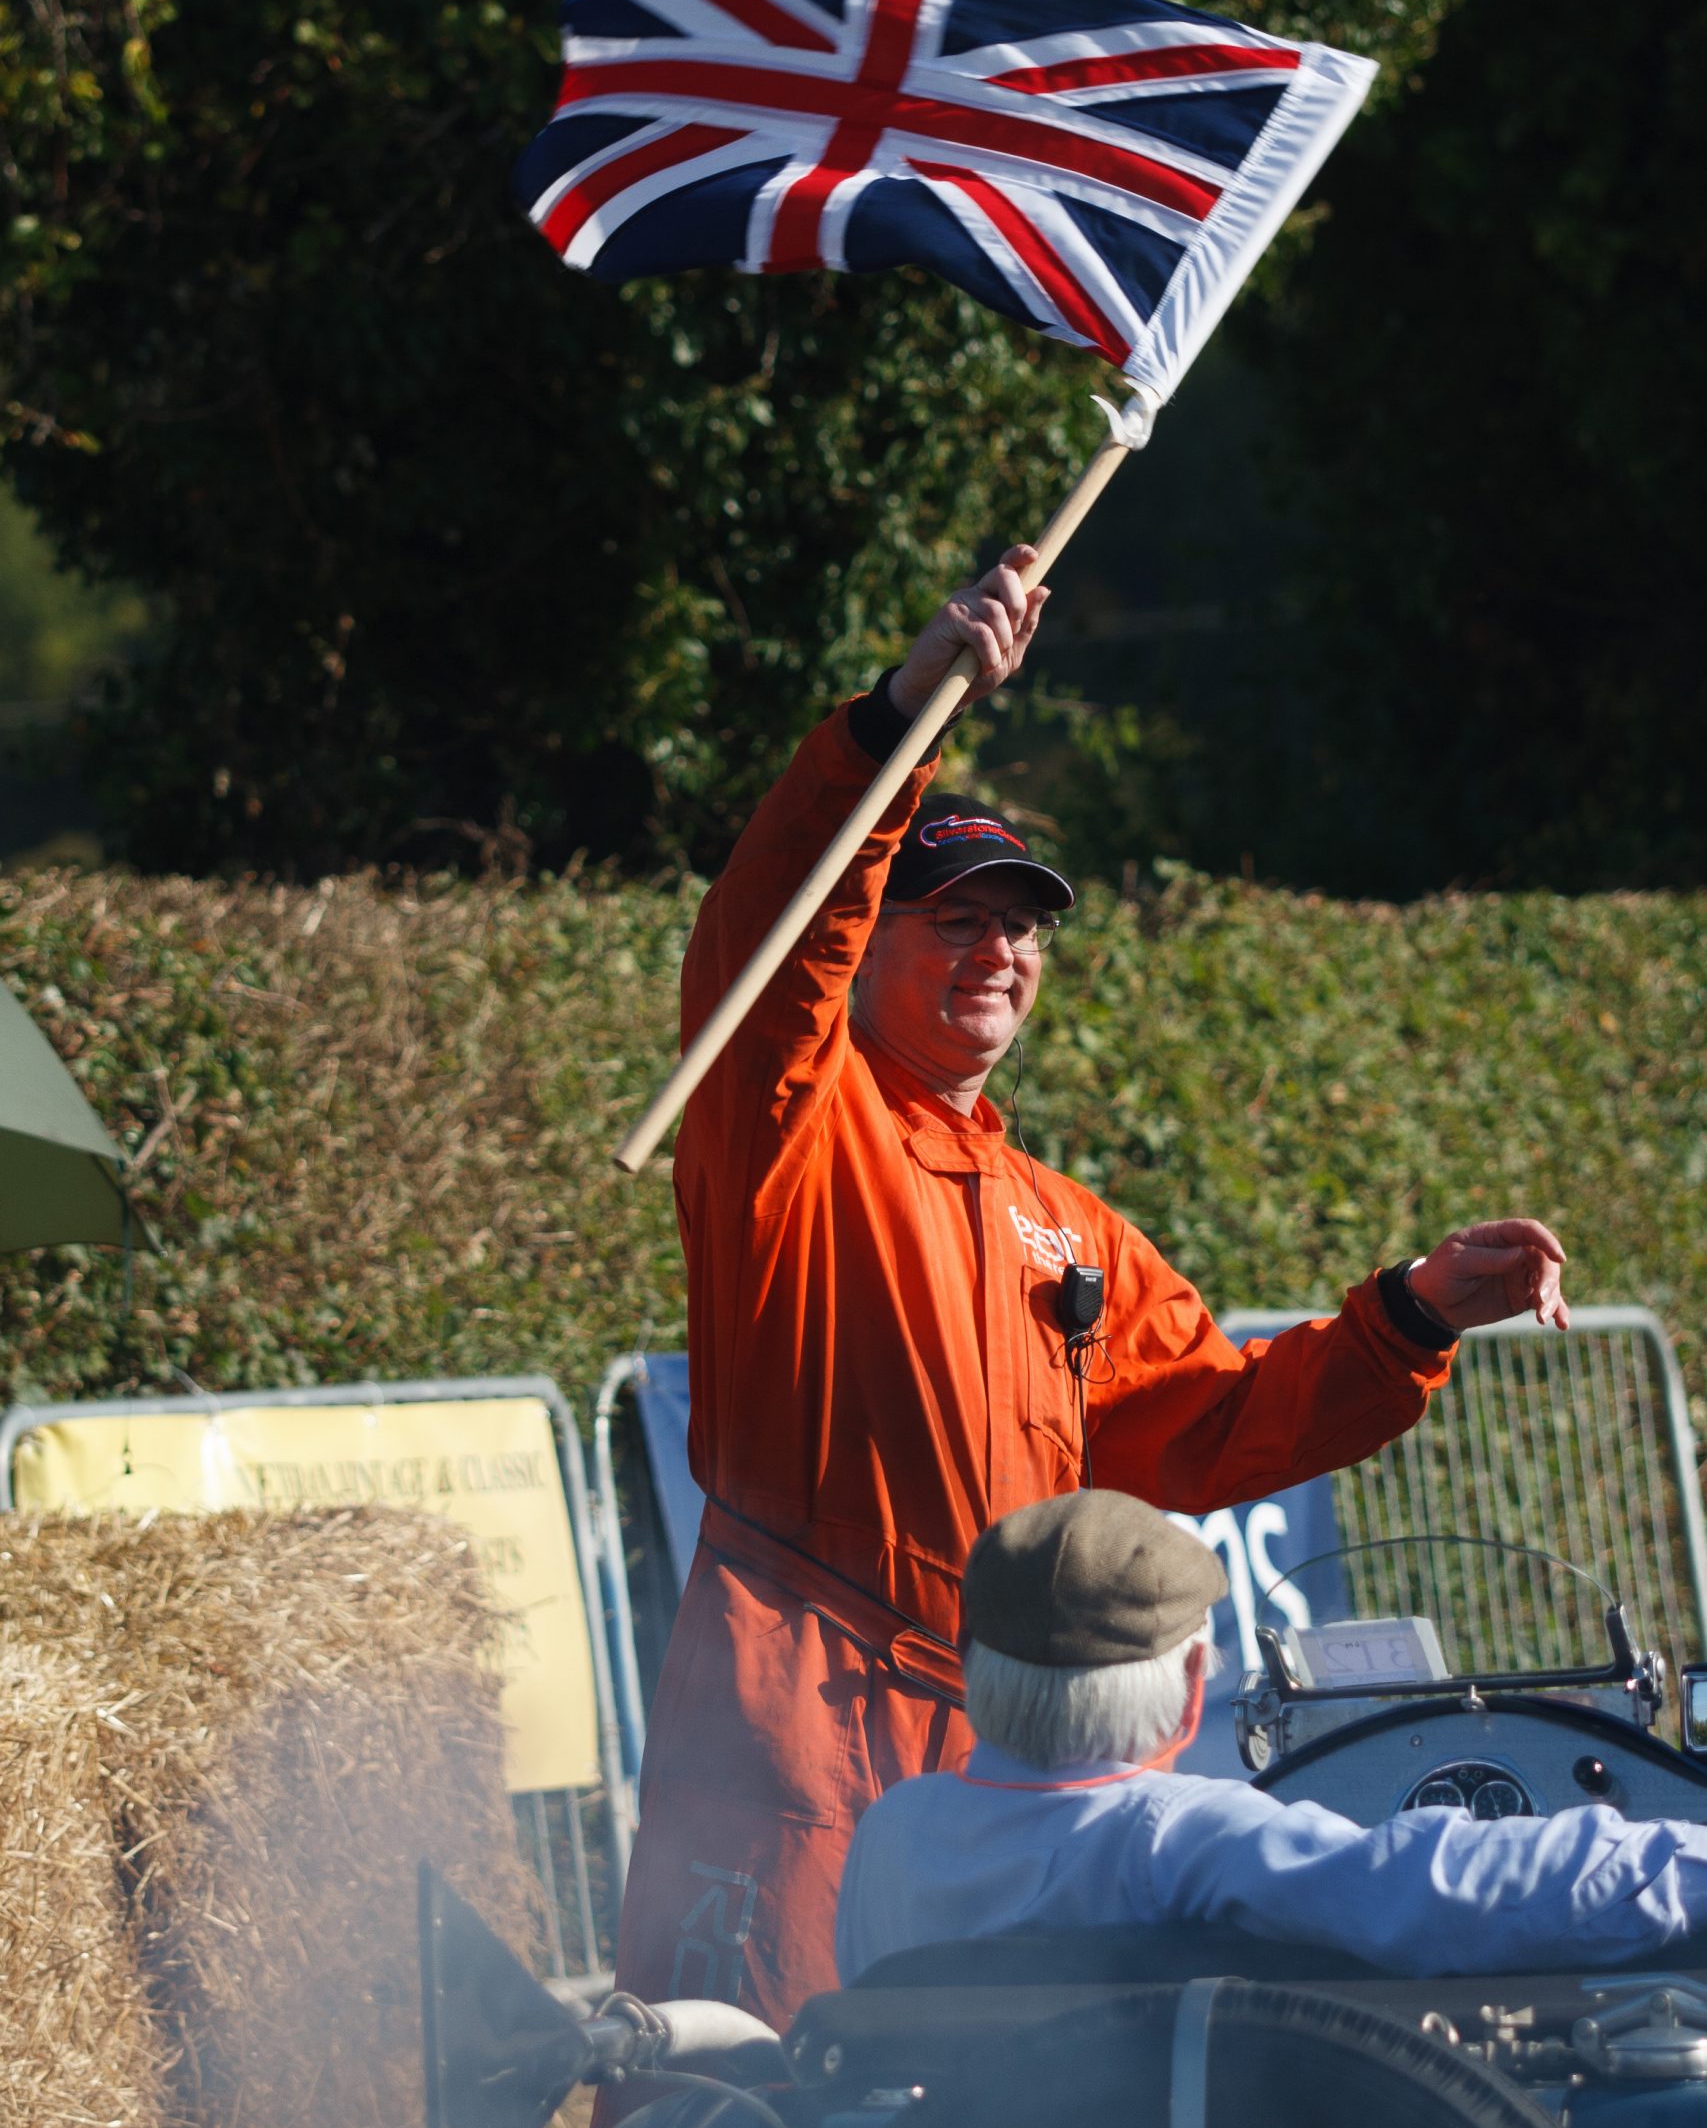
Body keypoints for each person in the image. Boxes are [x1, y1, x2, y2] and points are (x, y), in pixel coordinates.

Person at [615, 542, 1572, 2032]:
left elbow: (1209, 1429)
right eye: (955, 918)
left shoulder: (1061, 1222)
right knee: (734, 2105)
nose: (996, 949)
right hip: (790, 1715)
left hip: (1004, 1744)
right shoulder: (789, 1128)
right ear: (871, 947)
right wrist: (898, 719)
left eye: (1021, 924)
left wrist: (1408, 1318)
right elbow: (775, 931)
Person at [837, 1489, 1707, 1985]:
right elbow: (1437, 1893)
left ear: (966, 1663)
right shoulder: (1180, 1836)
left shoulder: (888, 1832)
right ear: (1188, 1692)